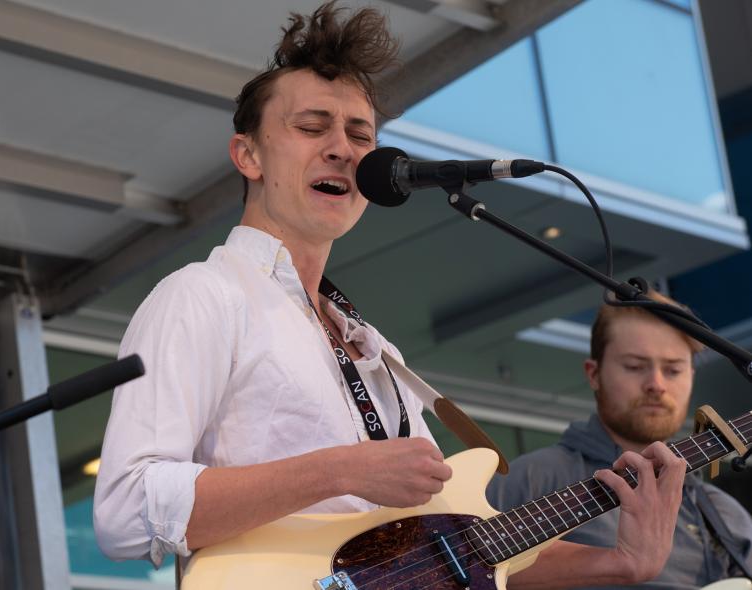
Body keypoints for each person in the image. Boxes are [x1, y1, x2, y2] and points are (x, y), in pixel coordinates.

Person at [93, 3, 686, 587]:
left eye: (360, 134)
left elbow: (457, 548)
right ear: (248, 155)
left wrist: (618, 562)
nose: (342, 149)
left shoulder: (373, 347)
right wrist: (340, 471)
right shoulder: (202, 294)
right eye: (311, 127)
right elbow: (124, 511)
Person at [487, 291, 752, 589]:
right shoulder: (532, 478)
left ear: (691, 376)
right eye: (635, 366)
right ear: (594, 374)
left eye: (673, 370)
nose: (656, 385)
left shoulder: (726, 515)